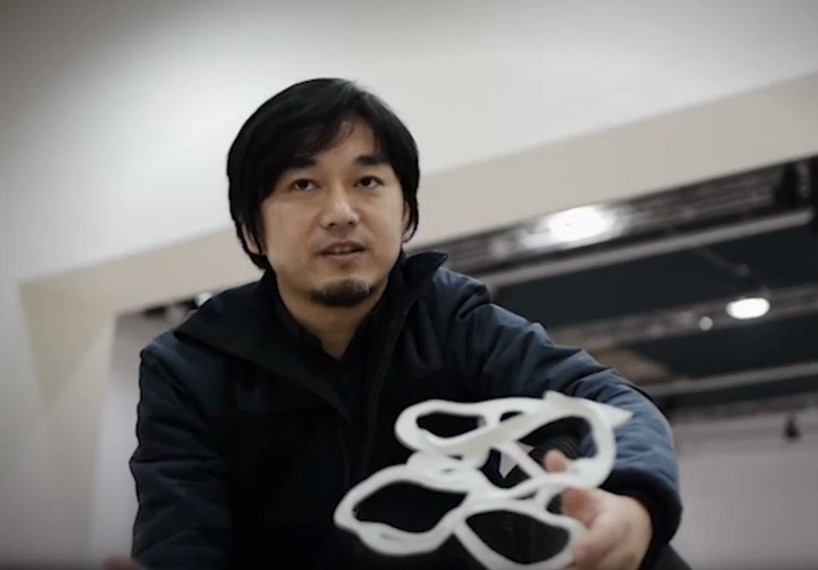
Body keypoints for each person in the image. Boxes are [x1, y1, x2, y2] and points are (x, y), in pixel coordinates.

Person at [107, 78, 685, 570]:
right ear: (251, 230)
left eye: (367, 182)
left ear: (406, 213)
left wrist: (634, 504)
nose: (340, 213)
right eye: (302, 185)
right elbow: (181, 534)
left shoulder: (454, 320)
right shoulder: (189, 366)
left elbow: (611, 402)